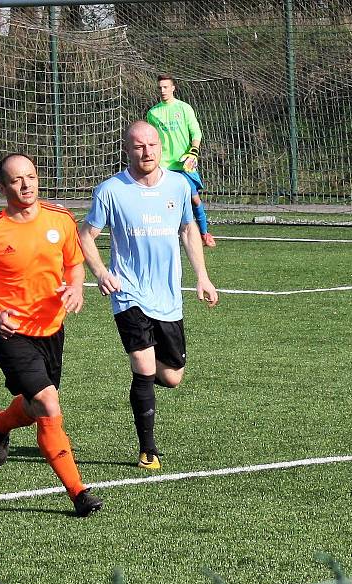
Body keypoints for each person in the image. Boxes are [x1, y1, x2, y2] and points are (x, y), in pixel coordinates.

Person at [0, 153, 103, 517]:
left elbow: (73, 264)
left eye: (31, 177)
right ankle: (78, 492)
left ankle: (1, 421)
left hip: (52, 330)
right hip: (11, 332)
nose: (27, 185)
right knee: (49, 404)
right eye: (17, 180)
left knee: (36, 404)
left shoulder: (61, 219)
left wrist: (76, 288)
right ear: (2, 187)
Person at [78, 121, 219, 471]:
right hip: (128, 293)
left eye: (152, 145)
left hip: (168, 296)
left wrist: (202, 276)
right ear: (127, 149)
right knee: (142, 366)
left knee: (172, 377)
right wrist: (101, 273)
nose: (147, 152)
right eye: (139, 146)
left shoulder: (178, 185)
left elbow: (188, 229)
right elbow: (84, 235)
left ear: (161, 147)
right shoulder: (111, 190)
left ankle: (148, 365)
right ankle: (148, 449)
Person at [146, 74, 216, 248]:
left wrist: (193, 151)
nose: (162, 91)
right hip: (164, 166)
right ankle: (161, 235)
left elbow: (196, 133)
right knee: (162, 201)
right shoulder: (153, 113)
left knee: (194, 200)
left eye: (165, 87)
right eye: (160, 87)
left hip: (184, 165)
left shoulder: (184, 108)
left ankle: (204, 233)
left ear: (173, 88)